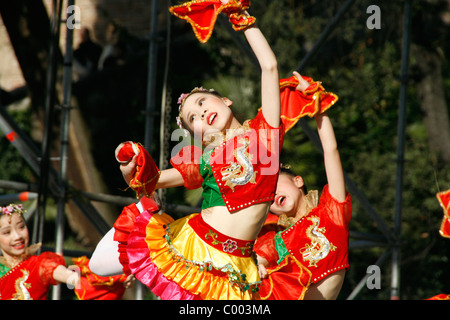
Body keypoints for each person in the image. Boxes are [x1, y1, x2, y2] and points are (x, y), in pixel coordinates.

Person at [90, 0, 281, 300]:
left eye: (203, 103)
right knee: (98, 265)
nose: (201, 113)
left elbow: (269, 67)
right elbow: (149, 180)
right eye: (193, 118)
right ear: (198, 135)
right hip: (195, 246)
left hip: (238, 267)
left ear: (226, 101)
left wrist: (240, 18)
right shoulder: (206, 159)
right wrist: (130, 164)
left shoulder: (266, 134)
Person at [254, 96, 352, 300]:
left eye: (274, 186)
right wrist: (258, 267)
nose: (272, 196)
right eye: (267, 198)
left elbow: (330, 151)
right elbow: (259, 259)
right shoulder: (276, 238)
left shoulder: (332, 211)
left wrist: (318, 107)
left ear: (298, 181)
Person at [0, 204, 80, 300]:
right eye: (7, 232)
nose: (17, 236)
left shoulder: (40, 264)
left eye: (21, 227)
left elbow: (77, 280)